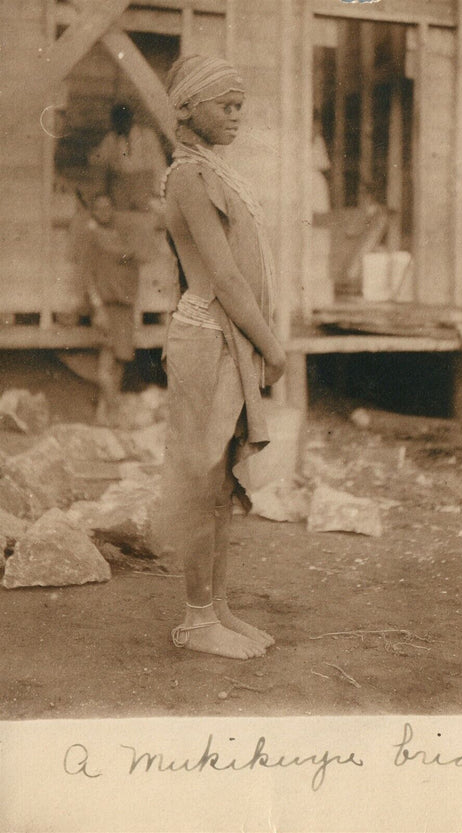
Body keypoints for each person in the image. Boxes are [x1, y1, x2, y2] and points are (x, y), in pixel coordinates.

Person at [155, 54, 286, 659]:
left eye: (240, 105)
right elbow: (226, 278)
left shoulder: (215, 170)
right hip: (208, 339)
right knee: (200, 477)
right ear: (188, 108)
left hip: (227, 339)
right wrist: (271, 343)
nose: (237, 115)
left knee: (220, 486)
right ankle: (195, 618)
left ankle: (219, 607)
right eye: (225, 105)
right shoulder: (186, 175)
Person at [79, 193, 139, 425]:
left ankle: (102, 415)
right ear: (92, 212)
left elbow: (131, 259)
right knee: (106, 361)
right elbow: (87, 275)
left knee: (120, 361)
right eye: (99, 208)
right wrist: (98, 307)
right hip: (105, 306)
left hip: (124, 307)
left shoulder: (117, 238)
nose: (104, 211)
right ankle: (117, 411)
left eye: (108, 207)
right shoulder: (92, 238)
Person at [89, 103, 167, 212]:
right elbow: (97, 160)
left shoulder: (147, 136)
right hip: (120, 191)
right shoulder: (111, 138)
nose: (121, 126)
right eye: (117, 123)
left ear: (130, 120)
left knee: (145, 220)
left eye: (123, 121)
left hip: (143, 188)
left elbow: (159, 165)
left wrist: (158, 192)